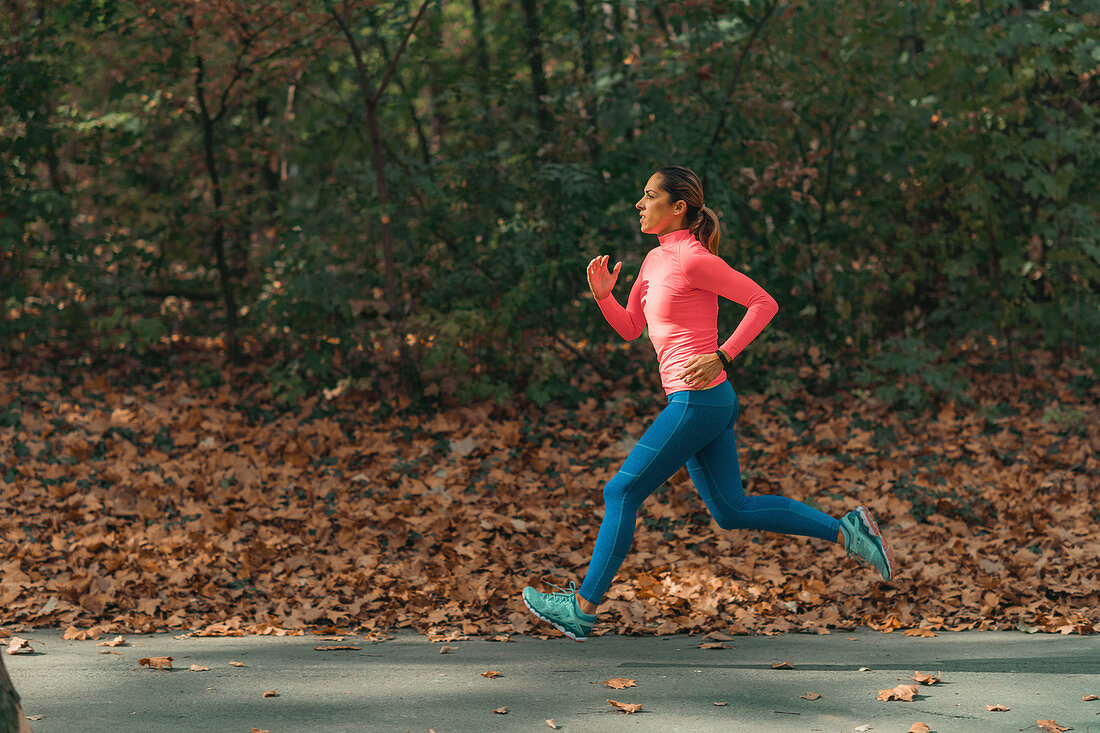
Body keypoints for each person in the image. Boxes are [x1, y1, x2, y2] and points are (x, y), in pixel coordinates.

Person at [521, 165, 896, 641]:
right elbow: (632, 327)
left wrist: (723, 354)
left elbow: (764, 302)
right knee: (731, 510)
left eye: (649, 195)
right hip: (706, 402)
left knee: (620, 493)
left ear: (678, 207)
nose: (640, 202)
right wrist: (603, 298)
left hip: (699, 400)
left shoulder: (694, 260)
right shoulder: (654, 261)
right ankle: (848, 531)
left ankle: (581, 608)